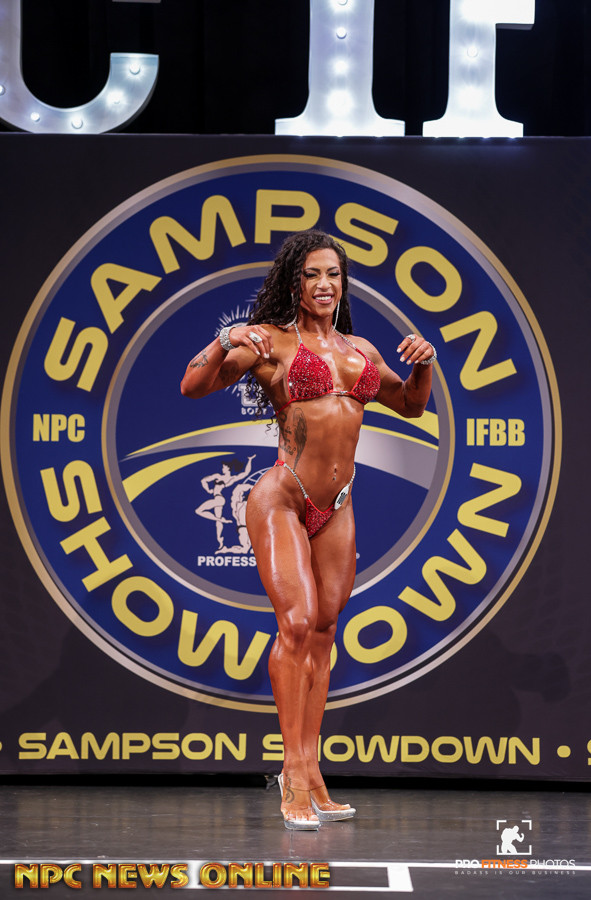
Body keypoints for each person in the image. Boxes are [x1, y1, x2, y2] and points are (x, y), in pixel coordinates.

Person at [181, 230, 435, 830]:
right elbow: (194, 385)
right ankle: (292, 773)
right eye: (312, 274)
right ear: (294, 282)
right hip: (282, 498)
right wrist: (224, 340)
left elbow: (411, 404)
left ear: (344, 283)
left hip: (337, 506)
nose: (325, 284)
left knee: (323, 630)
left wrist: (423, 366)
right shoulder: (270, 340)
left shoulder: (361, 349)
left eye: (334, 274)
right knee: (296, 623)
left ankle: (314, 772)